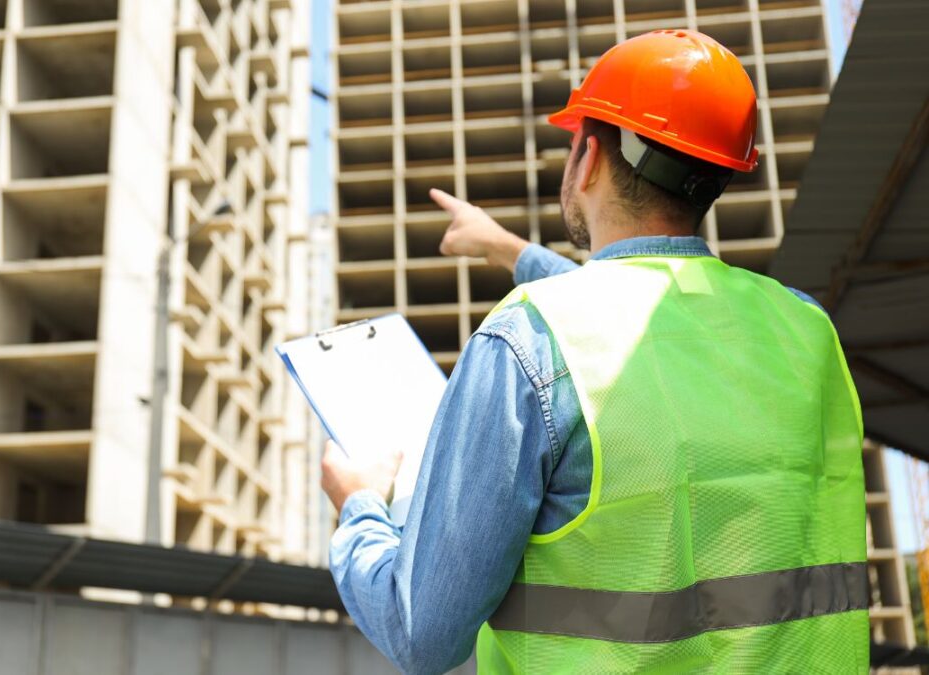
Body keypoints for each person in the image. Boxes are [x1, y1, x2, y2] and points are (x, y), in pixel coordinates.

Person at [320, 29, 868, 674]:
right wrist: (508, 250)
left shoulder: (527, 339)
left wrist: (358, 504)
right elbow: (647, 313)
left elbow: (423, 633)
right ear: (717, 176)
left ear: (587, 157)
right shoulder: (804, 326)